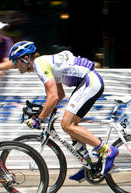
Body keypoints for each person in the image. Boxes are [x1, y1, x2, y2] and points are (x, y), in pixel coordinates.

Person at [8, 41, 119, 180]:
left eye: (16, 62)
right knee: (71, 127)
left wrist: (39, 119)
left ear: (25, 59)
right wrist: (46, 112)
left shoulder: (39, 64)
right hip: (87, 82)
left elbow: (53, 96)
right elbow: (59, 95)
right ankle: (89, 166)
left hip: (89, 81)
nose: (15, 66)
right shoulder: (45, 63)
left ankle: (107, 150)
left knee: (67, 125)